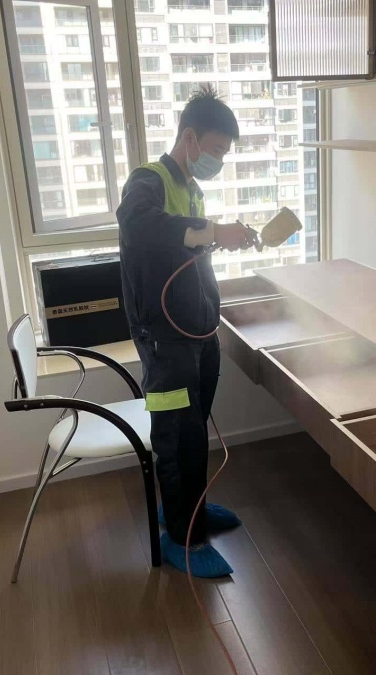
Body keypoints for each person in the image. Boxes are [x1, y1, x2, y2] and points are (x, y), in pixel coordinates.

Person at [116, 87, 257, 578]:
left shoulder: (192, 188)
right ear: (190, 138)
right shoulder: (147, 182)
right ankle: (182, 536)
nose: (219, 160)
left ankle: (190, 507)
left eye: (224, 153)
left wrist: (220, 239)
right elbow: (139, 226)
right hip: (164, 341)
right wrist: (214, 231)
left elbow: (184, 247)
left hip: (198, 332)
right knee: (176, 437)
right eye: (216, 149)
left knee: (194, 428)